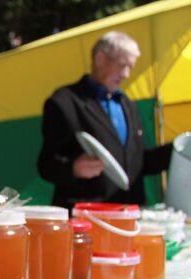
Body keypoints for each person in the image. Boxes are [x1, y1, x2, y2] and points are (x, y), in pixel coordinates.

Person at [37, 31, 172, 209]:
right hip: (87, 216)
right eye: (123, 65)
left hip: (128, 216)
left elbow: (137, 163)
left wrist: (177, 150)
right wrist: (73, 168)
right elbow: (46, 165)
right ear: (100, 59)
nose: (126, 74)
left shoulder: (128, 105)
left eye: (131, 67)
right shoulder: (65, 102)